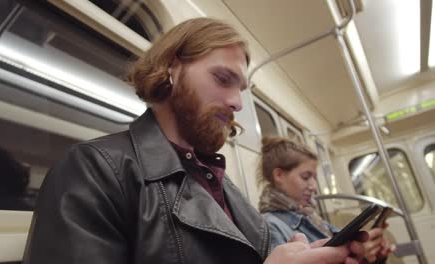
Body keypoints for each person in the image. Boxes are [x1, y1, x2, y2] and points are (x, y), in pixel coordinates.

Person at [23, 18, 367, 264]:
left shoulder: (220, 184)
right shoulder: (95, 171)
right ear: (171, 68)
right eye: (222, 78)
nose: (237, 102)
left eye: (241, 89)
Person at [258, 136, 394, 263]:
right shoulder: (270, 227)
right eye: (306, 177)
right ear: (279, 175)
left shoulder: (311, 217)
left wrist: (373, 254)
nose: (313, 186)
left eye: (314, 178)